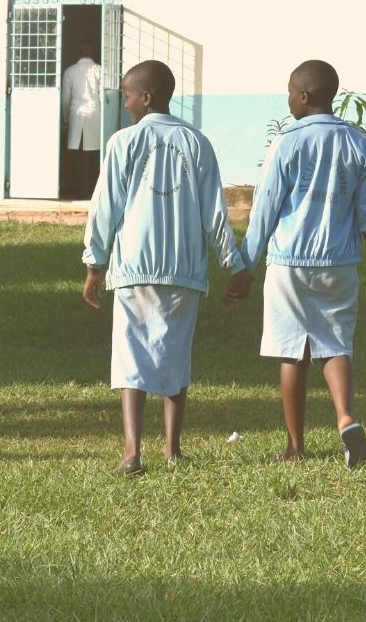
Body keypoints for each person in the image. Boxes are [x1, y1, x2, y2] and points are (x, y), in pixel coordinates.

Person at [82, 59, 251, 476]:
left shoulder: (123, 142)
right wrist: (234, 263)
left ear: (146, 97)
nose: (125, 105)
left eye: (126, 96)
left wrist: (94, 263)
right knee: (176, 355)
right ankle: (172, 450)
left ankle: (131, 451)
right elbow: (215, 212)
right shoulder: (197, 143)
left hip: (134, 267)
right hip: (183, 268)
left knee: (130, 356)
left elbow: (105, 208)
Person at [229, 59, 366, 467]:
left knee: (292, 351)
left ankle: (295, 446)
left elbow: (264, 207)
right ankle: (346, 417)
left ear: (303, 96)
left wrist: (245, 265)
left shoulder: (286, 142)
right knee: (336, 345)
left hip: (288, 263)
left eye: (289, 92)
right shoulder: (359, 143)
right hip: (340, 263)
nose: (288, 99)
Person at [61, 42, 104, 198]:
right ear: (94, 52)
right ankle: (93, 191)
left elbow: (65, 99)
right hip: (95, 114)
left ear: (78, 53)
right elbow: (102, 96)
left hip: (76, 115)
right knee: (94, 156)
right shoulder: (100, 70)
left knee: (78, 156)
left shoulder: (70, 71)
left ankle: (81, 191)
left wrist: (66, 118)